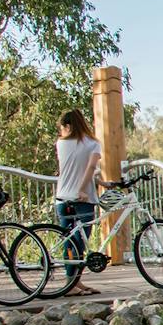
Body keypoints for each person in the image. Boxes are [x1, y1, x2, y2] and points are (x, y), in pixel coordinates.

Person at [53, 109, 104, 296]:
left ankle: (73, 283)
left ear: (68, 126)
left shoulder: (60, 144)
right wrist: (82, 189)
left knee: (69, 242)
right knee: (80, 242)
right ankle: (72, 284)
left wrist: (99, 182)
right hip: (83, 198)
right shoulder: (93, 143)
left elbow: (73, 168)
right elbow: (90, 167)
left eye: (62, 127)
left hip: (62, 196)